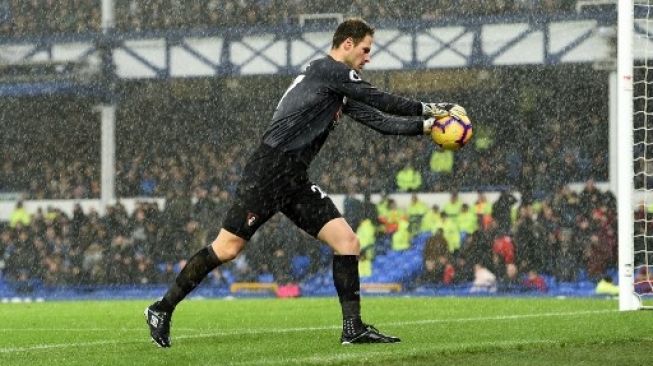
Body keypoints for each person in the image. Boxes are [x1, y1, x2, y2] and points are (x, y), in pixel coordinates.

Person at [144, 18, 467, 347]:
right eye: (365, 50)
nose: (368, 57)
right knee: (227, 248)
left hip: (293, 178)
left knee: (347, 243)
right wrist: (437, 109)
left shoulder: (334, 85)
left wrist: (428, 127)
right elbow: (381, 99)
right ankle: (161, 308)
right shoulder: (330, 71)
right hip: (269, 172)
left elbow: (381, 122)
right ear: (347, 45)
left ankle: (352, 328)